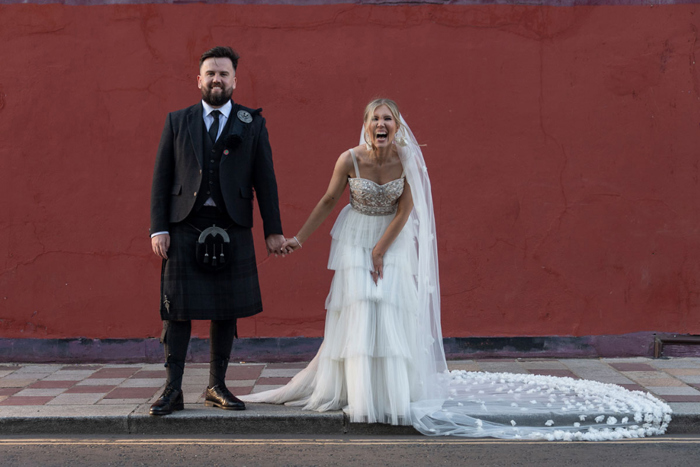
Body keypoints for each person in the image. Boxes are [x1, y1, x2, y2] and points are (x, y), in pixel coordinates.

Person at [242, 98, 672, 440]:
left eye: (387, 118)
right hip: (353, 236)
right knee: (358, 308)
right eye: (375, 118)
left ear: (397, 125)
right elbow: (326, 201)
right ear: (365, 123)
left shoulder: (407, 159)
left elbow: (406, 211)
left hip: (389, 240)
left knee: (389, 308)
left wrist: (381, 251)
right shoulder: (349, 158)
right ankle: (357, 393)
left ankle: (390, 394)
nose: (381, 124)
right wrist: (297, 237)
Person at [149, 46, 285, 416]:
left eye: (223, 74)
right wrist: (158, 228)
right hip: (184, 227)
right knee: (175, 311)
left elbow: (265, 180)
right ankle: (172, 389)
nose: (216, 79)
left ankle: (216, 386)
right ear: (199, 79)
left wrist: (273, 231)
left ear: (235, 80)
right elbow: (161, 179)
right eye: (210, 73)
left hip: (232, 226)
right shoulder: (178, 121)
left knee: (227, 310)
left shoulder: (251, 123)